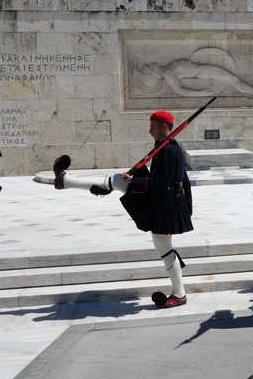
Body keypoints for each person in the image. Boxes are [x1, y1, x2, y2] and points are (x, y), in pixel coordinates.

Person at [52, 111, 193, 309]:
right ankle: (67, 181)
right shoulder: (166, 146)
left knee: (164, 248)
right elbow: (183, 179)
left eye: (153, 126)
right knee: (118, 182)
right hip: (166, 200)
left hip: (166, 201)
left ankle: (179, 294)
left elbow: (162, 182)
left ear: (164, 126)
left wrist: (135, 181)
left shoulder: (168, 150)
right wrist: (188, 205)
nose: (149, 130)